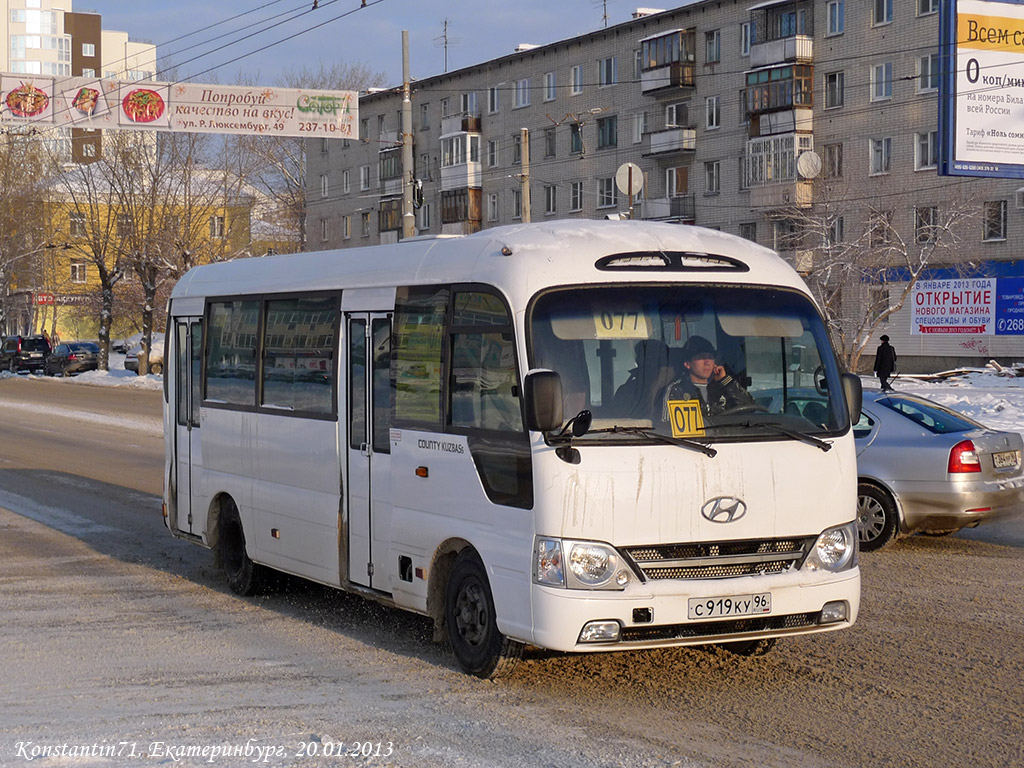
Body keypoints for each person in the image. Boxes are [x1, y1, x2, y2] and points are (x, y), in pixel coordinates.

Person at [663, 335, 754, 418]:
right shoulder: (677, 390)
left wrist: (726, 381)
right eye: (701, 357)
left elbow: (750, 410)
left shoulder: (724, 387)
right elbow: (670, 428)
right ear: (687, 364)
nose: (707, 362)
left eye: (710, 357)